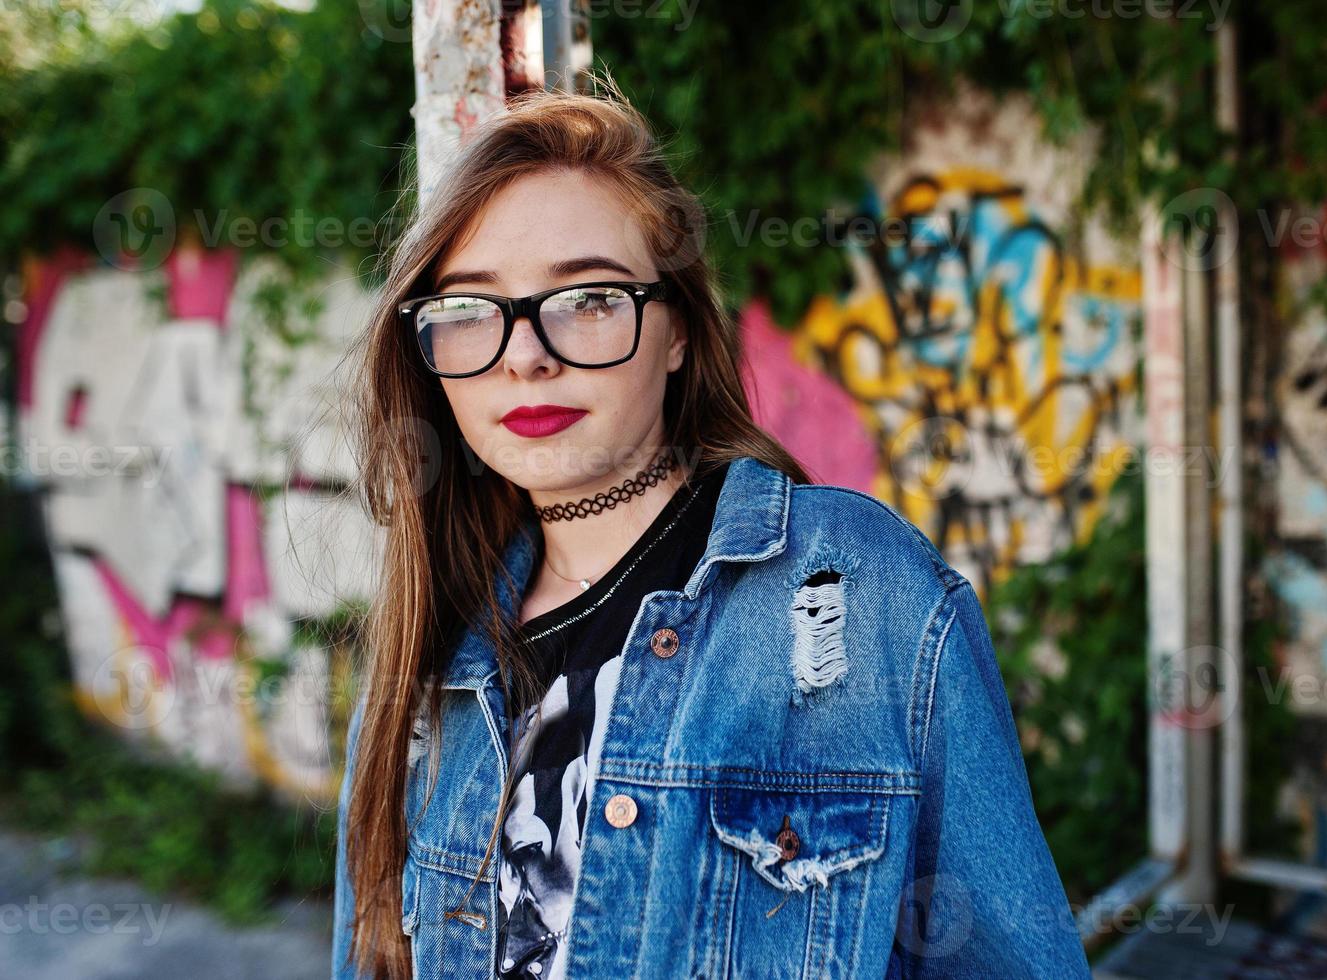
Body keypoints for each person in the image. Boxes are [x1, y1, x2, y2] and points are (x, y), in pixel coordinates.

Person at [332, 79, 1088, 979]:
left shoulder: (858, 593)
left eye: (589, 299)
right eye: (469, 312)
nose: (525, 355)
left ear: (681, 330)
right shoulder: (430, 651)